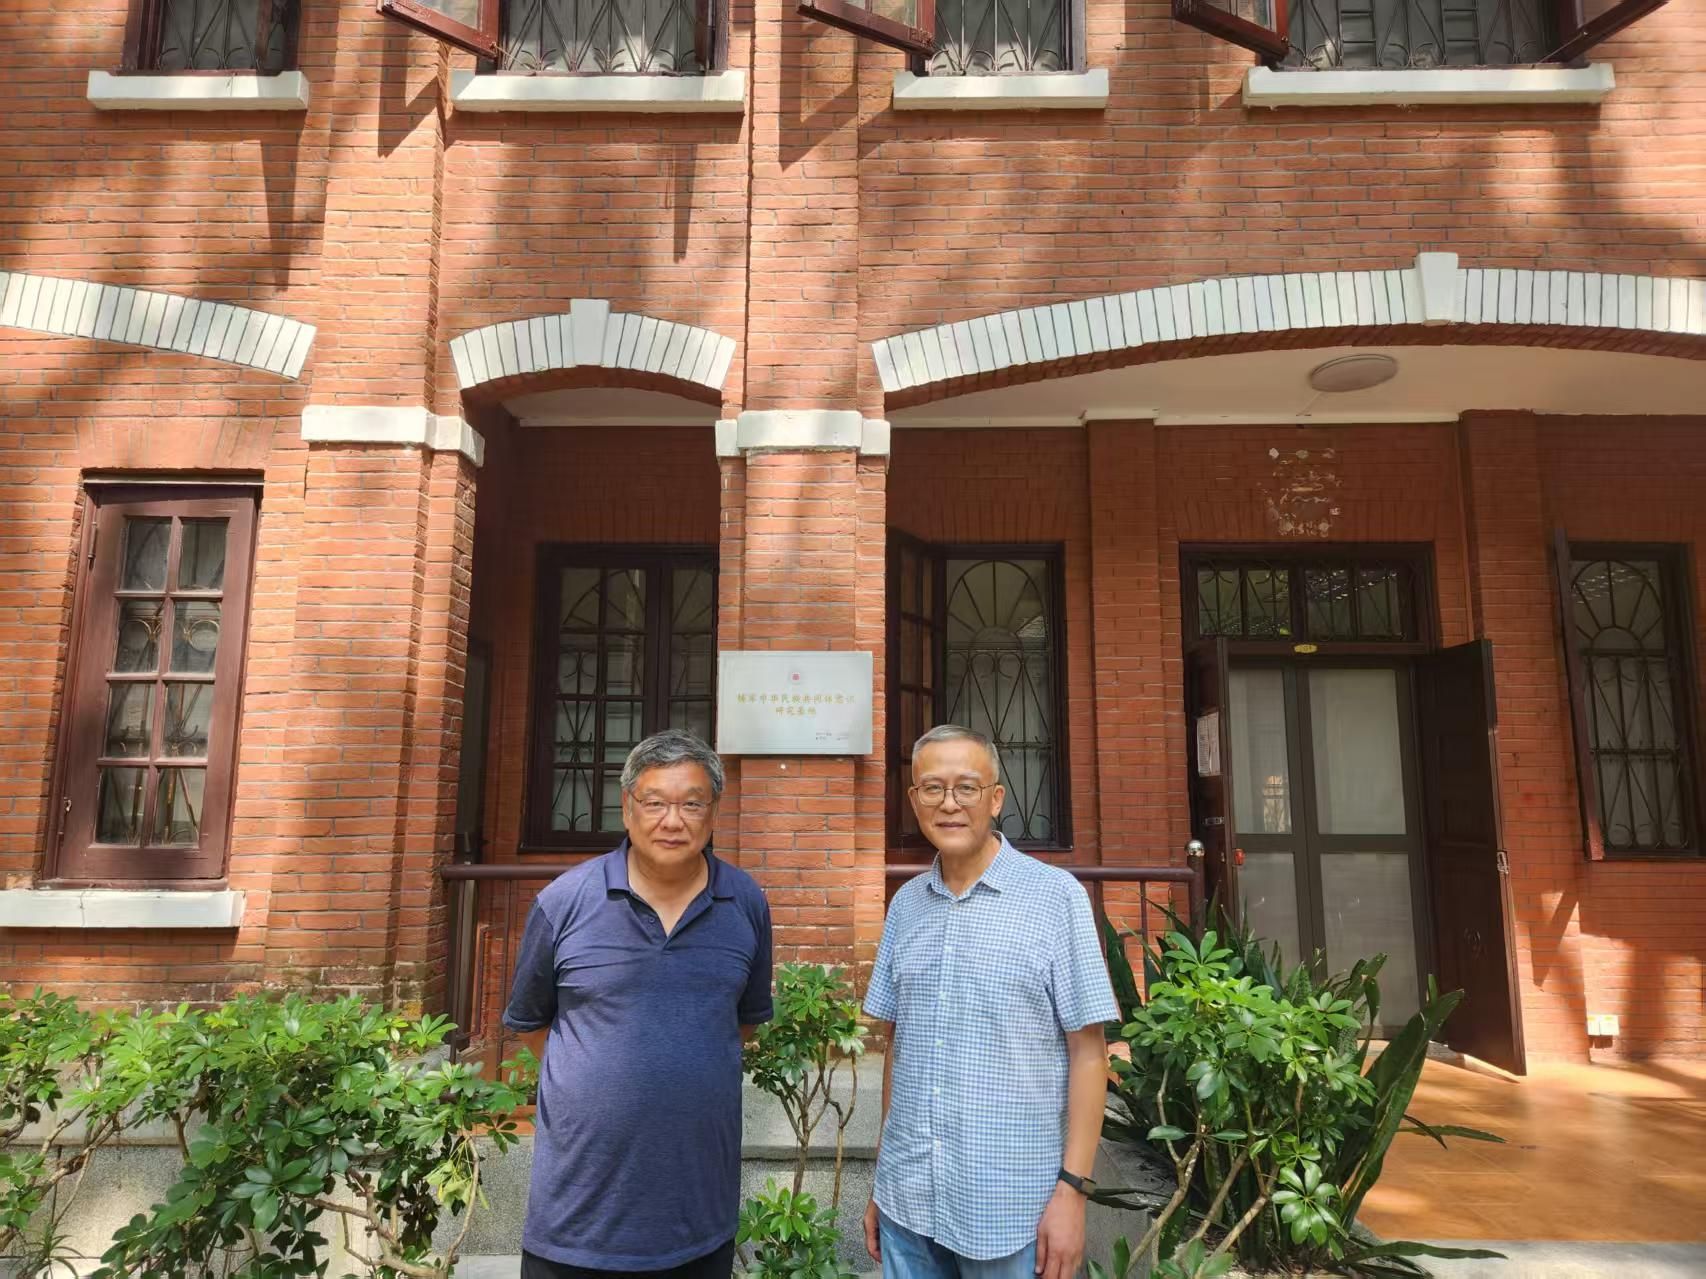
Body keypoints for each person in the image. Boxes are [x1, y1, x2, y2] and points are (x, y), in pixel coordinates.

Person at [504, 729, 774, 1279]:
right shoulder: (564, 901)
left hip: (697, 1216)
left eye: (691, 804)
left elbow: (740, 1025)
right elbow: (532, 1024)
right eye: (654, 803)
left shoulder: (745, 902)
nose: (672, 821)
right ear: (627, 808)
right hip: (577, 1220)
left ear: (714, 812)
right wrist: (597, 1077)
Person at [863, 724, 1118, 1279]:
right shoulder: (906, 906)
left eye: (966, 787)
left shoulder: (1056, 898)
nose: (949, 804)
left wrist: (1073, 1192)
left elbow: (1089, 1053)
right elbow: (899, 1046)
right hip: (908, 1199)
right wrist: (884, 1179)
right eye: (932, 788)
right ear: (914, 800)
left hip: (1012, 1210)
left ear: (996, 798)